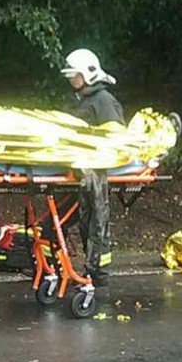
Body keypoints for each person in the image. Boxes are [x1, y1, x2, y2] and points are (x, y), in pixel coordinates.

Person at [60, 48, 125, 286]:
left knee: (97, 221)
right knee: (82, 221)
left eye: (74, 75)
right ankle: (88, 270)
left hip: (95, 170)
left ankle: (99, 275)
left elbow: (116, 137)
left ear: (87, 74)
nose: (70, 80)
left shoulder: (104, 101)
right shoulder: (79, 100)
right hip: (77, 171)